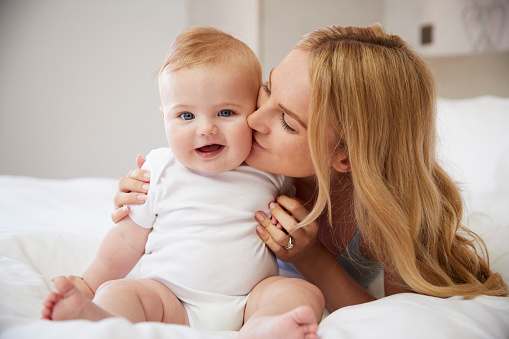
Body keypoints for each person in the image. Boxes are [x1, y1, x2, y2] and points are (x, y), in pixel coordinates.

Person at [114, 23, 509, 314]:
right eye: (267, 90)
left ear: (346, 156)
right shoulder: (248, 162)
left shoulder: (391, 220)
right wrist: (141, 193)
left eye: (287, 122)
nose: (253, 120)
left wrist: (311, 259)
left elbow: (393, 319)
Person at [41, 26, 324, 338]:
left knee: (301, 293)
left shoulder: (270, 171)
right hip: (170, 298)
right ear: (165, 118)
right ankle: (99, 319)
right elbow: (125, 240)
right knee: (123, 292)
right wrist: (89, 284)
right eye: (186, 116)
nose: (206, 129)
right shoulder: (159, 171)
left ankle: (263, 328)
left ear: (252, 112)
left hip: (249, 300)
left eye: (226, 112)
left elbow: (299, 214)